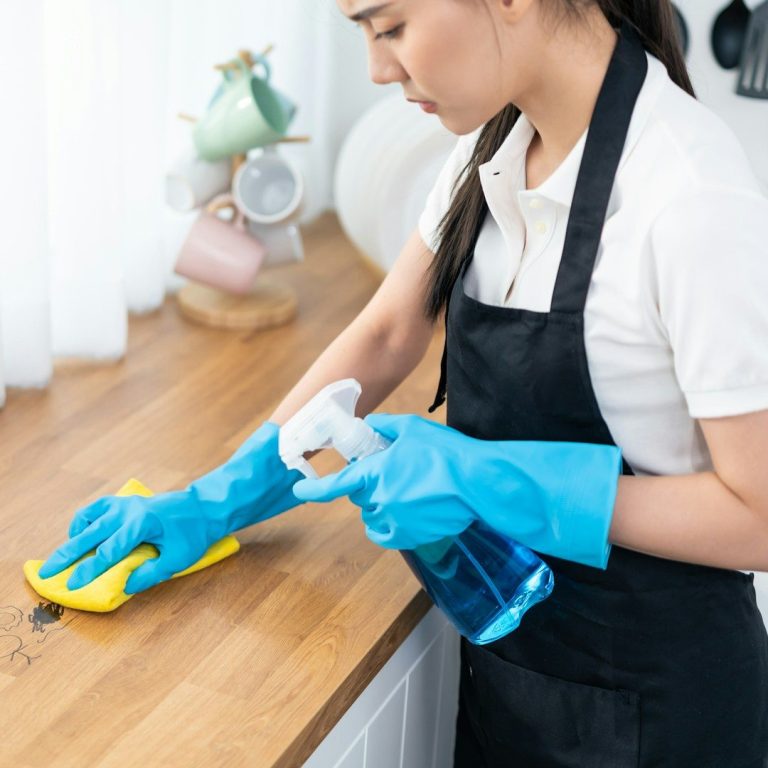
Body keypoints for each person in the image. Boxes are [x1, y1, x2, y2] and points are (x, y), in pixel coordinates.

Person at [39, 0, 768, 764]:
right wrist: (216, 500)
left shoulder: (689, 195)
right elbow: (388, 335)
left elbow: (756, 514)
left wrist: (493, 478)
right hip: (511, 677)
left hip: (660, 716)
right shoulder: (494, 143)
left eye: (388, 27)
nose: (378, 69)